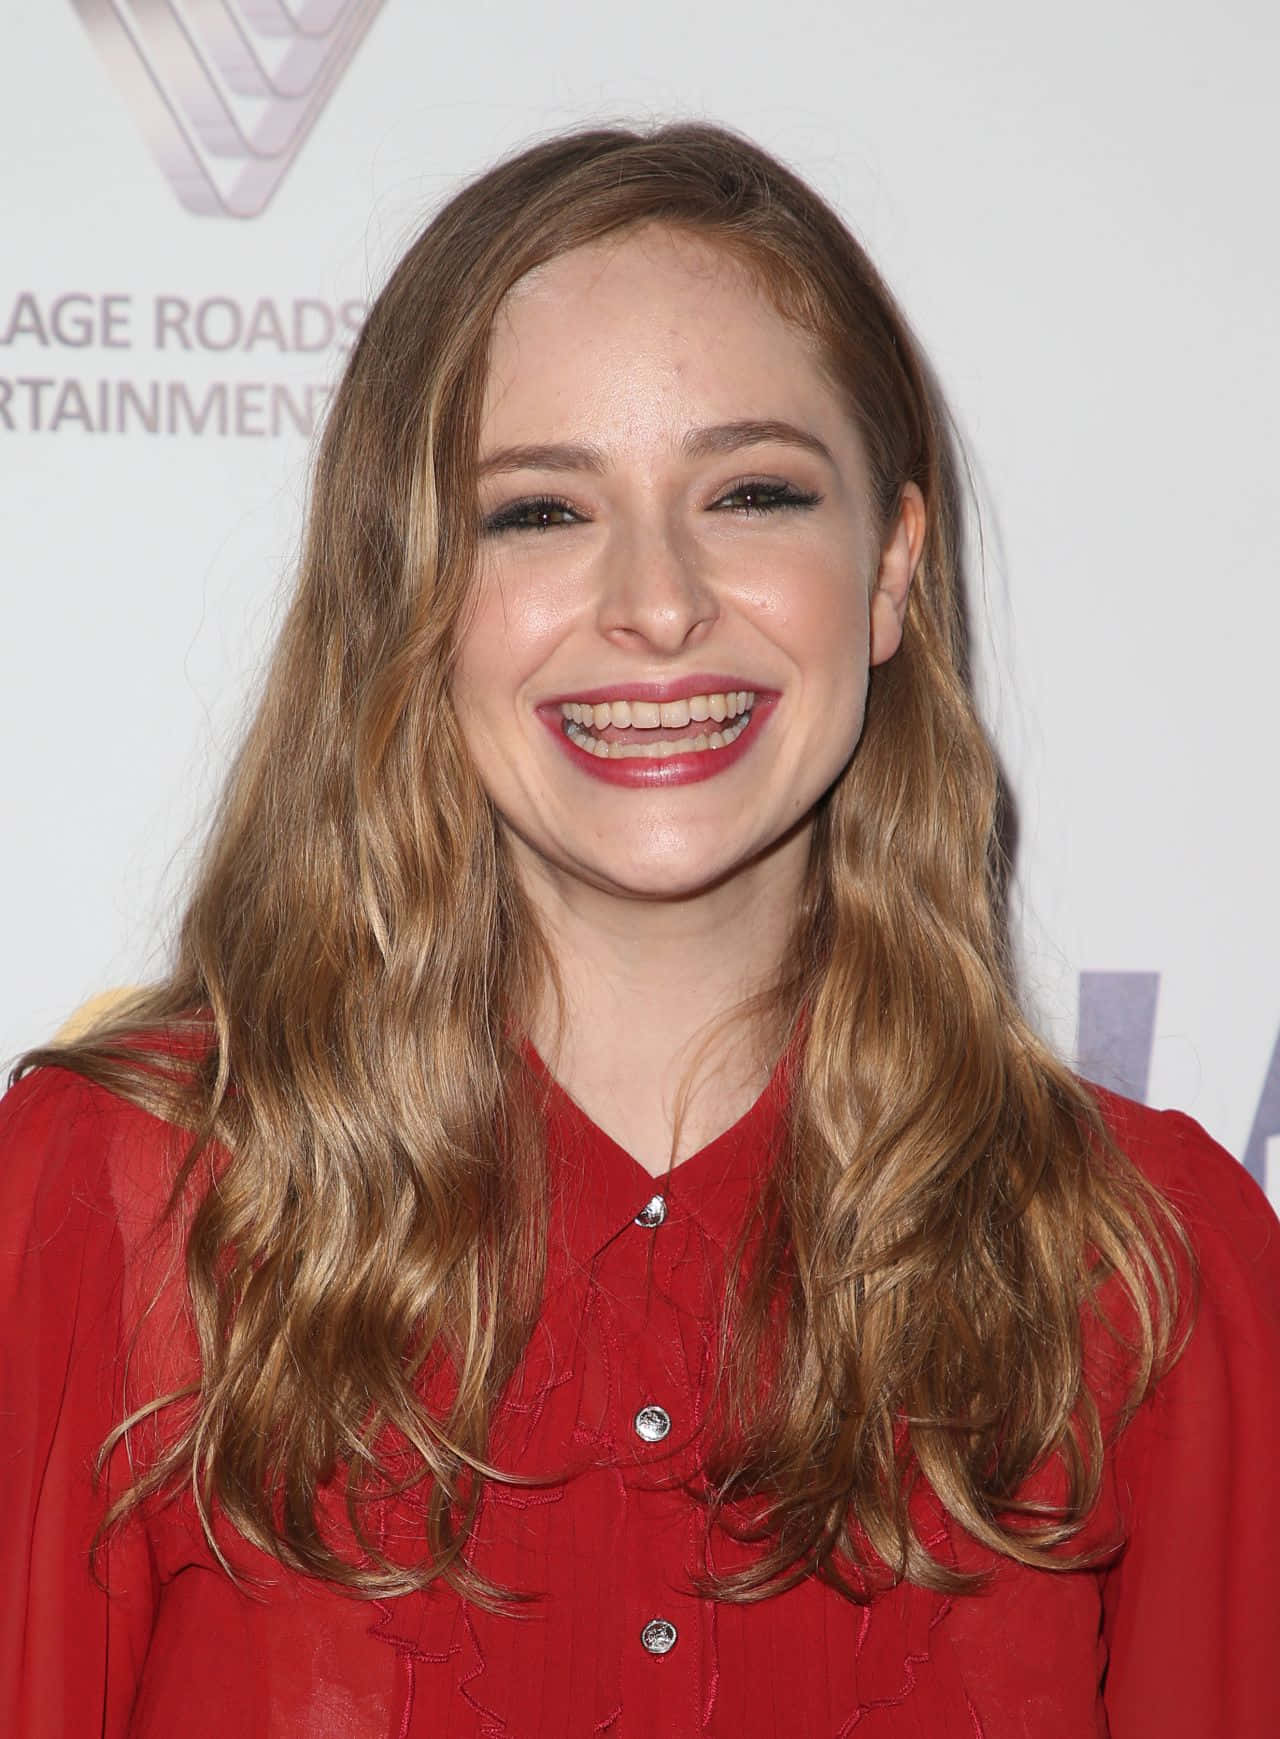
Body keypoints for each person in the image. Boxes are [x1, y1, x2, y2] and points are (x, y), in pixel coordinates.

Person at [2, 122, 1277, 1738]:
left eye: (750, 492)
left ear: (889, 568)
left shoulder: (1151, 1275)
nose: (659, 605)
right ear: (410, 589)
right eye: (538, 511)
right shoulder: (115, 1212)